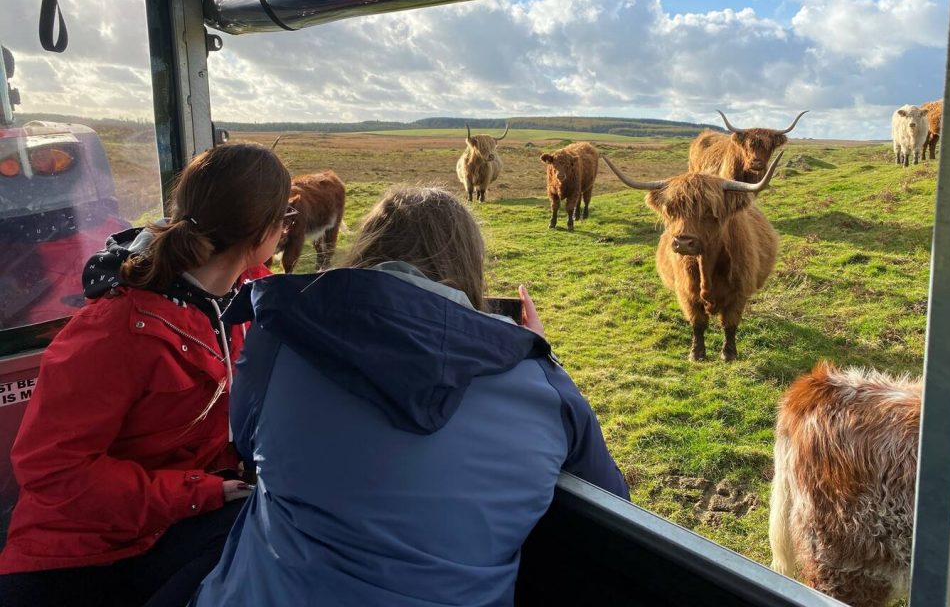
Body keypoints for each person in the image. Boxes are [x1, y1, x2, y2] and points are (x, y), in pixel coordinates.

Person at [192, 186, 629, 607]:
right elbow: (616, 513)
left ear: (366, 252)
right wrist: (535, 356)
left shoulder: (280, 337)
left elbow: (246, 441)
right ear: (469, 266)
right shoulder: (542, 386)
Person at [0, 143, 292, 607]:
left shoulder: (246, 298)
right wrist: (199, 492)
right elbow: (54, 472)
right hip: (78, 553)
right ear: (264, 229)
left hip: (172, 524)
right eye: (286, 219)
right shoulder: (120, 327)